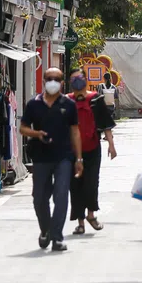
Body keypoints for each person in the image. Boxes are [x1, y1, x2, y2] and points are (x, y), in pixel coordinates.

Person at [19, 68, 83, 252]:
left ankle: (57, 237)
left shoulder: (69, 105)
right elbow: (23, 128)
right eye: (49, 78)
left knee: (61, 195)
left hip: (63, 157)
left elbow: (75, 131)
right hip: (40, 157)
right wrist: (36, 134)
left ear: (62, 82)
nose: (53, 82)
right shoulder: (34, 104)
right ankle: (45, 229)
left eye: (57, 79)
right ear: (44, 80)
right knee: (39, 198)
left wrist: (79, 158)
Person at [67, 70, 117, 234]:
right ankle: (80, 222)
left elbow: (106, 123)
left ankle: (91, 215)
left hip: (93, 147)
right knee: (75, 185)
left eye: (80, 78)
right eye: (74, 79)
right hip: (72, 151)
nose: (77, 81)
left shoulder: (96, 98)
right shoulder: (67, 101)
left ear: (86, 80)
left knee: (91, 182)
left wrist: (111, 144)